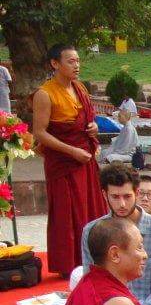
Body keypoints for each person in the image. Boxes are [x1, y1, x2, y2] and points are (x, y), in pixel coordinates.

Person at [46, 164, 151, 305]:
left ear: (137, 193)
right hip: (110, 303)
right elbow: (92, 280)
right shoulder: (92, 230)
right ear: (104, 195)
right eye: (115, 197)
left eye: (127, 196)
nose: (122, 204)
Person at [33, 44, 107, 276]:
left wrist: (94, 128)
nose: (76, 66)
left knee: (91, 208)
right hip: (64, 162)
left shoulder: (80, 88)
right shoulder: (44, 94)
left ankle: (95, 257)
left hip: (84, 158)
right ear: (55, 64)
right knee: (67, 212)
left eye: (77, 61)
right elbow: (40, 133)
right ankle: (69, 264)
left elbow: (87, 121)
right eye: (71, 61)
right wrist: (71, 151)